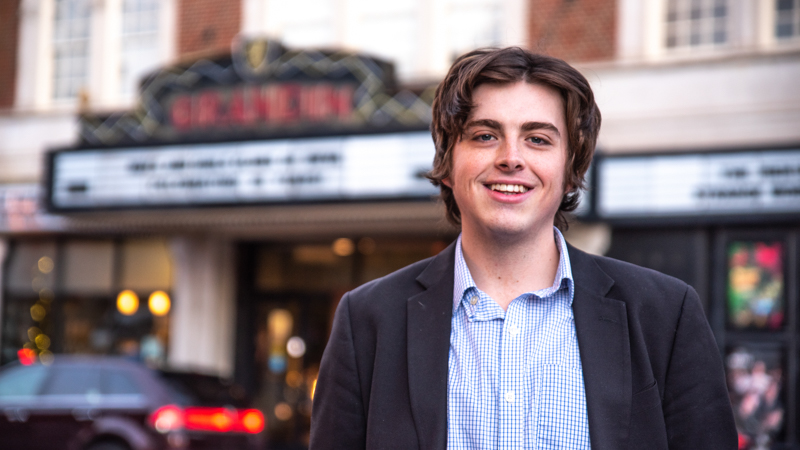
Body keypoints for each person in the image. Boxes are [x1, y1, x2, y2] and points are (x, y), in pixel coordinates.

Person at [310, 47, 736, 450]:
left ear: (570, 170)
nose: (511, 158)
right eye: (483, 136)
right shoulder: (367, 320)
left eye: (537, 139)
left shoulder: (665, 313)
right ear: (447, 165)